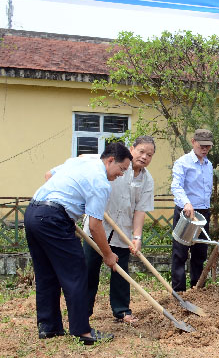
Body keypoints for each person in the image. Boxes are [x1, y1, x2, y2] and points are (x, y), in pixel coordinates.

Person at [24, 142, 131, 345]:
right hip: (53, 218)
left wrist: (66, 208)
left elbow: (49, 176)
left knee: (47, 274)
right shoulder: (101, 183)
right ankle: (83, 332)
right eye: (122, 169)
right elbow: (95, 225)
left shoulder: (81, 161)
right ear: (110, 161)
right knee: (77, 273)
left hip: (33, 212)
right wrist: (108, 255)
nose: (121, 175)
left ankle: (49, 327)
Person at [83, 136, 156, 323]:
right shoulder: (118, 166)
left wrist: (137, 236)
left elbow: (141, 209)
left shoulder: (148, 180)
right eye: (141, 151)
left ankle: (122, 310)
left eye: (149, 154)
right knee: (89, 271)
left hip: (122, 231)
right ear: (132, 149)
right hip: (97, 227)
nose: (144, 157)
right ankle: (82, 310)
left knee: (121, 273)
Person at [171, 129, 214, 292]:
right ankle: (179, 291)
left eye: (208, 146)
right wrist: (186, 203)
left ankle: (197, 288)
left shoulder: (208, 165)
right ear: (193, 142)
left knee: (200, 252)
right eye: (202, 145)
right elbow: (176, 186)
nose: (204, 149)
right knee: (180, 252)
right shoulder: (183, 162)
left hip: (203, 213)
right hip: (186, 213)